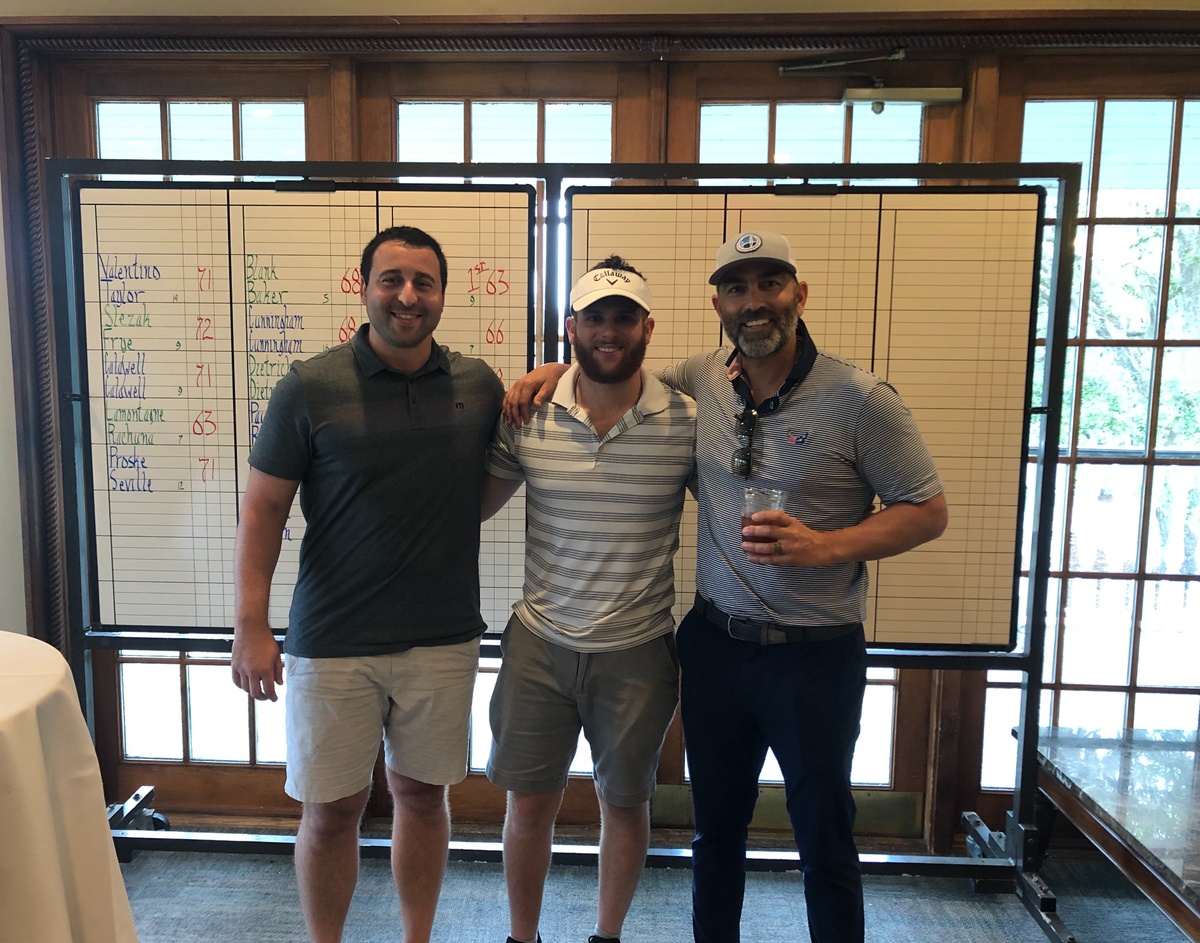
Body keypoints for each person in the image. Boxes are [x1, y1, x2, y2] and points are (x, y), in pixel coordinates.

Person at [504, 231, 948, 943]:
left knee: (823, 837)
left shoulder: (861, 398)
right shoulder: (702, 380)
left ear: (799, 294)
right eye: (737, 288)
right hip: (716, 646)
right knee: (715, 833)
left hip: (815, 653)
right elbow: (613, 368)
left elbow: (927, 511)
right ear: (718, 304)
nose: (754, 301)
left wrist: (827, 545)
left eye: (770, 283)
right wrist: (555, 370)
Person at [231, 225, 504, 943]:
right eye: (392, 279)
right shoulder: (309, 386)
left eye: (424, 282)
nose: (407, 296)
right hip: (332, 641)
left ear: (442, 294)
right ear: (364, 289)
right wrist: (250, 626)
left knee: (423, 798)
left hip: (442, 637)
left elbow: (493, 476)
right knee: (330, 812)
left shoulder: (478, 385)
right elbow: (262, 510)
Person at [481, 257, 696, 943]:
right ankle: (522, 937)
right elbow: (473, 507)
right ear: (570, 328)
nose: (610, 331)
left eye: (624, 317)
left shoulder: (686, 421)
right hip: (540, 643)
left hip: (637, 650)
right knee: (529, 804)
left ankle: (608, 936)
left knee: (624, 804)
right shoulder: (529, 413)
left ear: (647, 328)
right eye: (595, 317)